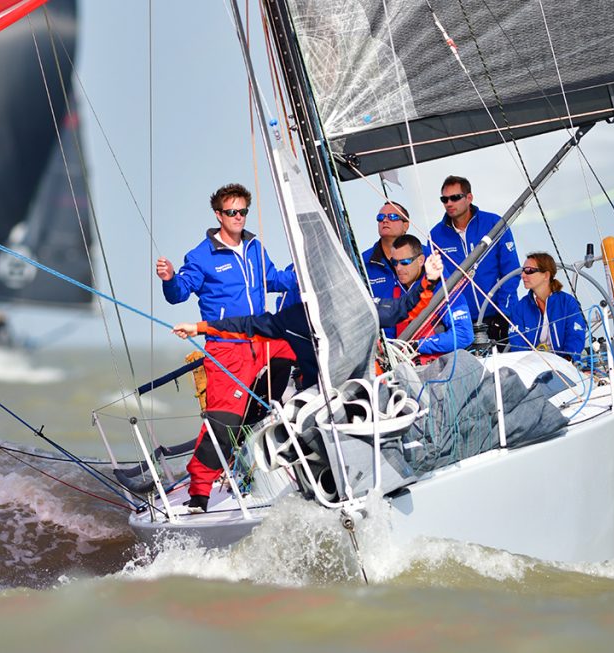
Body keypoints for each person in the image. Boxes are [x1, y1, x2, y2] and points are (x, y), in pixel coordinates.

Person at [156, 183, 299, 514]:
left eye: (243, 211)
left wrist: (307, 267)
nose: (238, 217)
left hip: (263, 338)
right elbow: (178, 294)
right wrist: (169, 278)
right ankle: (200, 492)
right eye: (232, 212)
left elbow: (275, 279)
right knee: (222, 425)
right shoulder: (201, 256)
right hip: (227, 347)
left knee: (296, 355)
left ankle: (259, 425)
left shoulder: (254, 247)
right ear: (219, 215)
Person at [173, 252, 449, 389]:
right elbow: (247, 326)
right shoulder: (295, 317)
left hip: (366, 386)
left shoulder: (356, 306)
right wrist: (198, 328)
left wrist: (430, 279)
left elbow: (404, 308)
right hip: (321, 395)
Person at [429, 175, 520, 345]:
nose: (449, 203)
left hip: (499, 316)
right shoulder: (435, 235)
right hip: (461, 321)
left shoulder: (494, 223)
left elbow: (511, 271)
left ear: (469, 198)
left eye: (455, 198)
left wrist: (504, 313)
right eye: (444, 199)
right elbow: (439, 282)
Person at [389, 234, 473, 359]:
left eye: (405, 262)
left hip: (440, 369)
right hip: (403, 370)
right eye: (394, 263)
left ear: (421, 261)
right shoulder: (392, 293)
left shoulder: (445, 290)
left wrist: (418, 345)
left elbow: (464, 335)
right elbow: (386, 338)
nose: (399, 268)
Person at [361, 201, 426, 336]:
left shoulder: (426, 255)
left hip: (423, 341)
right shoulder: (363, 262)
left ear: (406, 225)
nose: (385, 220)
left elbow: (446, 292)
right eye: (380, 218)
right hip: (383, 346)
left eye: (392, 217)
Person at [506, 252, 586, 361]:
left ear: (546, 275)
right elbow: (517, 344)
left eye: (529, 271)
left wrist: (567, 361)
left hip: (564, 366)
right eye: (523, 271)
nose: (522, 275)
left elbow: (575, 336)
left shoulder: (567, 303)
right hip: (531, 368)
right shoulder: (520, 308)